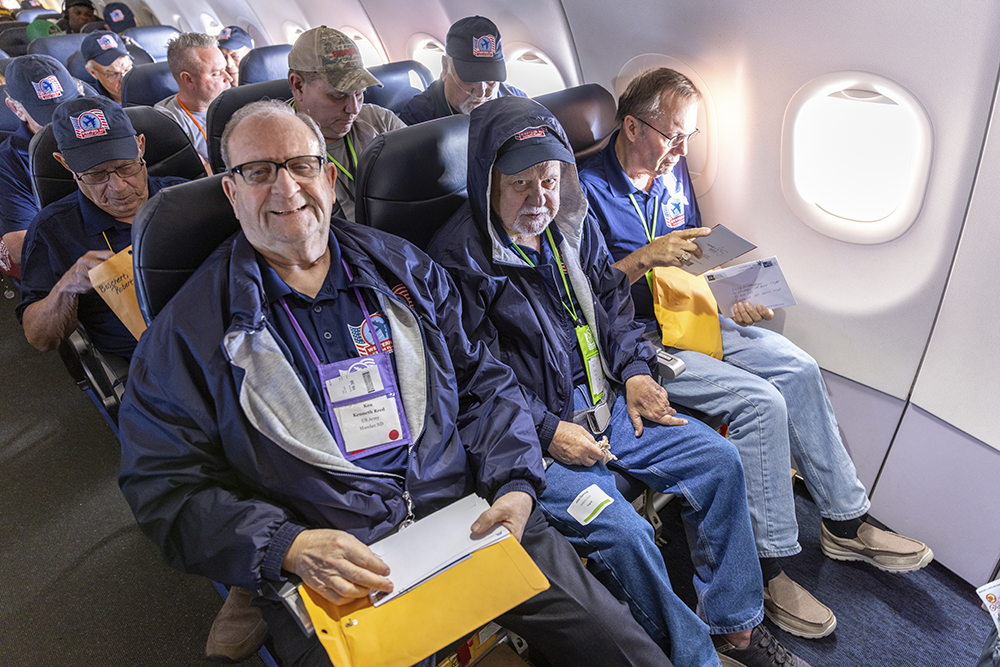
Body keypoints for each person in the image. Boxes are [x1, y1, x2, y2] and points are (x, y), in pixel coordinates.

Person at [116, 99, 675, 667]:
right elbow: (165, 487)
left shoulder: (403, 269)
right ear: (231, 193)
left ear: (330, 179)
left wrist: (514, 483)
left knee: (623, 650)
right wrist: (287, 545)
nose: (286, 190)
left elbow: (484, 379)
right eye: (259, 172)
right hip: (338, 554)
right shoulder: (185, 335)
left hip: (467, 512)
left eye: (302, 166)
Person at [426, 95, 808, 667]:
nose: (539, 200)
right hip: (532, 436)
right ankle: (696, 657)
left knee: (719, 463)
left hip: (609, 400)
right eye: (520, 185)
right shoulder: (457, 263)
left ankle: (736, 629)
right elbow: (472, 379)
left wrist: (632, 370)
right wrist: (549, 428)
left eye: (549, 180)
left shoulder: (570, 228)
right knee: (625, 535)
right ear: (488, 183)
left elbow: (612, 309)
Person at [578, 67, 934, 640]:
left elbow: (693, 259)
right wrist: (645, 256)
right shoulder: (585, 189)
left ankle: (846, 520)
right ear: (631, 126)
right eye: (672, 135)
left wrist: (733, 292)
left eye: (689, 137)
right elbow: (583, 295)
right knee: (760, 402)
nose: (680, 150)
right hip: (639, 338)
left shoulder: (674, 175)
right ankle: (768, 572)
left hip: (694, 313)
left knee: (798, 366)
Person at [16, 95, 186, 358]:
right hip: (148, 360)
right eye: (97, 175)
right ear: (66, 164)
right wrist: (67, 288)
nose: (118, 186)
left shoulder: (185, 196)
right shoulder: (52, 230)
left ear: (140, 146)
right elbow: (41, 339)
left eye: (126, 167)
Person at [288, 26, 404, 222]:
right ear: (298, 86)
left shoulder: (382, 122)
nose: (353, 109)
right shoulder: (272, 145)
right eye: (338, 96)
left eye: (359, 94)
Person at [1, 54, 81, 277]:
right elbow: (19, 246)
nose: (62, 122)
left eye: (69, 107)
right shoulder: (9, 162)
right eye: (47, 116)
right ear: (16, 109)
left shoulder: (99, 121)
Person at [399, 15, 527, 126]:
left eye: (490, 79)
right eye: (470, 80)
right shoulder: (416, 119)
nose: (481, 93)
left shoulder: (518, 103)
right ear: (445, 68)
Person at [155, 32, 232, 167]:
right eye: (216, 74)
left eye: (224, 69)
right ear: (188, 79)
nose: (229, 78)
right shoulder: (166, 122)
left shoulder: (238, 102)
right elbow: (203, 175)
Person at [81, 30, 133, 104]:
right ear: (92, 72)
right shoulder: (93, 106)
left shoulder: (149, 85)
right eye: (113, 74)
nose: (124, 80)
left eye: (127, 70)